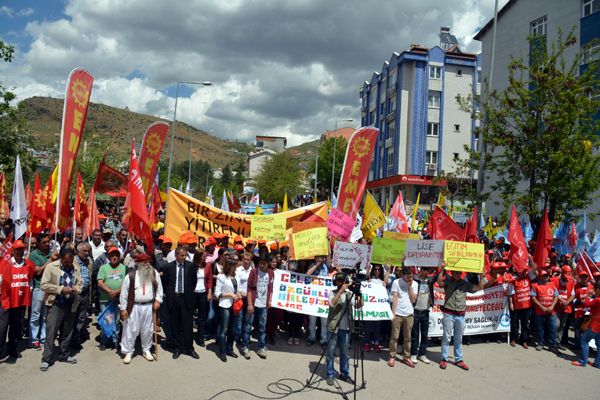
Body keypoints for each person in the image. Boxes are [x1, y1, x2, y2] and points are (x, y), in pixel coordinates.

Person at [436, 264, 487, 371]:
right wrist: (442, 270)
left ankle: (458, 359)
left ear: (461, 274)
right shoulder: (448, 282)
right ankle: (444, 358)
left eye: (459, 273)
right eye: (455, 272)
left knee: (458, 339)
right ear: (452, 273)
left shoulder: (465, 284)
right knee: (446, 337)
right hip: (449, 313)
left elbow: (478, 288)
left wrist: (482, 277)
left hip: (460, 315)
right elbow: (440, 282)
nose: (457, 274)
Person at [39, 247, 83, 371]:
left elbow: (80, 282)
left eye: (71, 261)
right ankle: (46, 358)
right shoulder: (51, 267)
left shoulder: (75, 267)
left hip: (70, 304)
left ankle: (64, 354)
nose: (69, 264)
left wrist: (76, 289)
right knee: (51, 332)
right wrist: (60, 289)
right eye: (67, 262)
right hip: (55, 304)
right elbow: (44, 285)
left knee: (67, 331)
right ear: (61, 258)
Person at [119, 253, 163, 364]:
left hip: (148, 306)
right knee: (131, 329)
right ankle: (129, 351)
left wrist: (158, 300)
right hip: (134, 307)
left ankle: (146, 350)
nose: (147, 264)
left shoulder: (154, 273)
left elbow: (159, 289)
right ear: (138, 263)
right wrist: (123, 308)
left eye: (149, 262)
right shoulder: (131, 275)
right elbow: (124, 293)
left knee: (147, 330)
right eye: (145, 262)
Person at [325, 272, 364, 386]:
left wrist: (359, 295)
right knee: (330, 352)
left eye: (343, 281)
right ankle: (330, 375)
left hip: (346, 328)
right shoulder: (332, 293)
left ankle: (344, 374)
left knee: (345, 353)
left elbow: (358, 305)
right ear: (335, 281)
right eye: (339, 281)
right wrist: (342, 290)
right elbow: (332, 303)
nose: (341, 283)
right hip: (333, 327)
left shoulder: (349, 293)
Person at [0, 240, 35, 360]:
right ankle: (1, 351)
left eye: (22, 249)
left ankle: (13, 349)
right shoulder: (5, 264)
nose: (20, 252)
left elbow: (30, 281)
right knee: (2, 327)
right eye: (17, 250)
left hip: (20, 302)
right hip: (6, 301)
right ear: (12, 250)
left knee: (16, 328)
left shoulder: (29, 264)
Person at [163, 246, 198, 359]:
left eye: (185, 255)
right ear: (176, 255)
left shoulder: (191, 266)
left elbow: (194, 282)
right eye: (182, 255)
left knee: (187, 325)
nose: (184, 257)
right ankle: (177, 348)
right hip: (174, 299)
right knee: (176, 324)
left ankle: (189, 348)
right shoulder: (168, 267)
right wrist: (170, 296)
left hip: (186, 299)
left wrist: (188, 293)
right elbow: (165, 283)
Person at [28, 233, 58, 350]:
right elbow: (38, 272)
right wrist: (50, 260)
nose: (47, 244)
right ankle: (34, 339)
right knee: (36, 314)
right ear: (38, 244)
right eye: (44, 242)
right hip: (38, 288)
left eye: (48, 242)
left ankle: (44, 338)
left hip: (50, 288)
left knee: (46, 315)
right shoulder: (34, 255)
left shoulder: (52, 253)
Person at [241, 256, 274, 359]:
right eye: (261, 263)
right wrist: (250, 304)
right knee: (248, 326)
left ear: (267, 263)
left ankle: (261, 347)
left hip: (264, 305)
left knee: (262, 327)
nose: (262, 265)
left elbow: (271, 288)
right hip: (254, 303)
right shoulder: (254, 272)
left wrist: (269, 300)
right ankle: (245, 346)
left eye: (264, 263)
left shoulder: (270, 273)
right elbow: (249, 289)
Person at [97, 246, 127, 350]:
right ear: (108, 257)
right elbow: (100, 282)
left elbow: (126, 283)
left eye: (116, 255)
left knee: (117, 320)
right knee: (106, 320)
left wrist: (117, 292)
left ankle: (115, 340)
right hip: (106, 299)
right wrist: (110, 291)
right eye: (112, 255)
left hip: (119, 299)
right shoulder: (103, 268)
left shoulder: (124, 267)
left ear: (119, 257)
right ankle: (105, 341)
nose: (114, 257)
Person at [387, 266, 417, 368]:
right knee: (394, 336)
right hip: (398, 313)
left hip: (409, 313)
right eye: (408, 277)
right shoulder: (396, 282)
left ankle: (406, 357)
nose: (410, 279)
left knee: (407, 337)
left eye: (411, 277)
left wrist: (409, 287)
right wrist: (393, 313)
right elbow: (395, 297)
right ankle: (392, 356)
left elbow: (413, 300)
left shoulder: (415, 284)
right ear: (403, 275)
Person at [215, 258, 240, 362]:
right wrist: (230, 295)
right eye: (233, 265)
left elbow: (238, 289)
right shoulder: (221, 277)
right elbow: (217, 293)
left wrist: (239, 294)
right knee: (224, 330)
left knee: (232, 330)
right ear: (228, 266)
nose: (235, 267)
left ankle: (230, 349)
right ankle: (222, 352)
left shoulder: (236, 275)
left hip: (235, 305)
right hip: (225, 305)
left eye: (236, 265)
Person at [571, 281, 600, 368]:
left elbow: (587, 303)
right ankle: (598, 363)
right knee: (599, 343)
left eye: (595, 290)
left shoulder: (598, 299)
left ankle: (583, 361)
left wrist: (589, 295)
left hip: (596, 324)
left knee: (584, 340)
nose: (594, 291)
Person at [410, 266, 436, 364]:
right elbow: (408, 275)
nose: (424, 272)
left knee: (425, 335)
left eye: (426, 270)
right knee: (415, 334)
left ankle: (422, 354)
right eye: (423, 270)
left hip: (425, 312)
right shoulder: (415, 280)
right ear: (420, 270)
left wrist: (442, 267)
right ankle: (414, 353)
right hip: (416, 311)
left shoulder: (430, 280)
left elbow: (438, 276)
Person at [531, 269, 560, 353]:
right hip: (539, 311)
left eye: (546, 276)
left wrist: (552, 306)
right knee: (540, 329)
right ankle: (540, 343)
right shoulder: (535, 285)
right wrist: (542, 307)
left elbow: (556, 296)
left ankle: (552, 345)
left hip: (551, 311)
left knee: (553, 328)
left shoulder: (552, 284)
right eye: (543, 276)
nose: (545, 277)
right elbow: (533, 298)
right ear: (540, 277)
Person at [364, 264, 389, 353]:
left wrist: (388, 270)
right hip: (369, 307)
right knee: (367, 327)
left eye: (379, 270)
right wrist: (368, 270)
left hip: (378, 307)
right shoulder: (370, 280)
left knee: (377, 327)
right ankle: (366, 343)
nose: (377, 271)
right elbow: (366, 280)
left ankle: (376, 343)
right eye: (375, 269)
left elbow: (386, 282)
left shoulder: (382, 282)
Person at [72, 242, 92, 349]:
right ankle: (69, 339)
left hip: (85, 293)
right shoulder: (72, 261)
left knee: (81, 317)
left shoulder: (89, 262)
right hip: (75, 293)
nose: (86, 253)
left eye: (88, 251)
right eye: (84, 251)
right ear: (78, 251)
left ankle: (76, 338)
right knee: (72, 317)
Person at [508, 267, 534, 349]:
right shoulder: (513, 280)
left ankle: (524, 340)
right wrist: (511, 303)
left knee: (525, 324)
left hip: (527, 306)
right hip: (516, 305)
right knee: (514, 323)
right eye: (522, 271)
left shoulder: (528, 278)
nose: (523, 273)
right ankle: (514, 338)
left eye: (525, 271)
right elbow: (510, 293)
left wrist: (530, 258)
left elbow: (534, 270)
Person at [306, 255, 329, 347]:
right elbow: (307, 274)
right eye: (318, 257)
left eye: (321, 257)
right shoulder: (312, 265)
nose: (320, 258)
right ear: (315, 258)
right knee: (312, 320)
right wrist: (317, 265)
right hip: (313, 298)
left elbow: (329, 256)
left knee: (324, 321)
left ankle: (324, 339)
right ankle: (312, 337)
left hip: (323, 298)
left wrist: (328, 241)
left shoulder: (326, 266)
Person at [551, 265, 575, 350]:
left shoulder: (571, 281)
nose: (567, 278)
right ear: (561, 273)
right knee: (556, 325)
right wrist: (561, 300)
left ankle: (558, 342)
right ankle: (552, 342)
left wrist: (567, 302)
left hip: (566, 307)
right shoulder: (554, 280)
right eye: (565, 276)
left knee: (562, 325)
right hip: (556, 307)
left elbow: (573, 294)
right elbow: (552, 292)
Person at [192, 249, 212, 347]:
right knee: (189, 315)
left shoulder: (208, 266)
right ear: (198, 256)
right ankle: (188, 335)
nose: (206, 258)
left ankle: (200, 338)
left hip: (203, 294)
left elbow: (209, 280)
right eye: (204, 256)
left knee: (202, 317)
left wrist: (209, 293)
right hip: (193, 294)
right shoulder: (192, 266)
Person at [234, 251, 252, 348]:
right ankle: (237, 337)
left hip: (249, 298)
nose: (246, 261)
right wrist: (240, 292)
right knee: (239, 319)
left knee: (247, 320)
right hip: (240, 297)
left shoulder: (252, 270)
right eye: (244, 259)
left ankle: (246, 338)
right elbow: (237, 283)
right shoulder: (238, 270)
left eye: (248, 260)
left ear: (250, 261)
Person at [573, 270, 594, 349]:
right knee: (578, 329)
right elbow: (573, 299)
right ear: (580, 277)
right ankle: (577, 345)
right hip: (579, 311)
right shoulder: (575, 286)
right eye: (582, 276)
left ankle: (588, 346)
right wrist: (580, 301)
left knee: (588, 330)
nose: (584, 278)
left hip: (589, 312)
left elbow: (595, 298)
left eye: (585, 276)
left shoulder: (591, 286)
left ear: (588, 278)